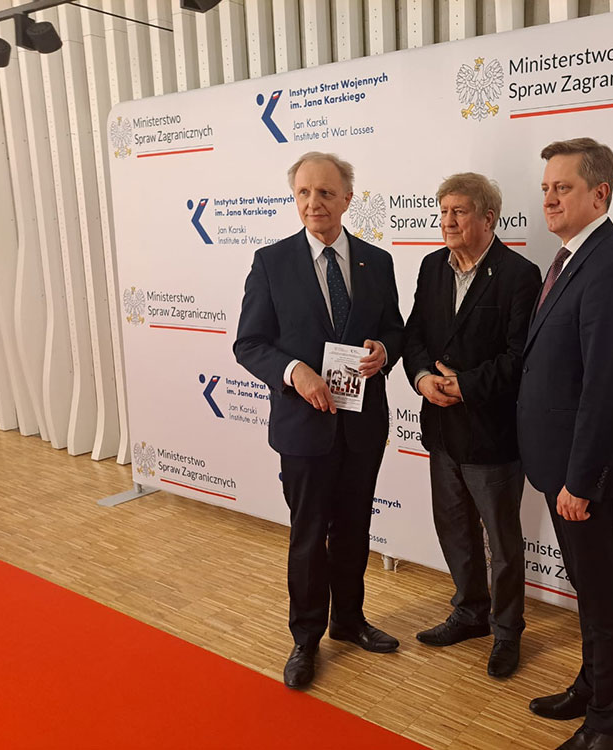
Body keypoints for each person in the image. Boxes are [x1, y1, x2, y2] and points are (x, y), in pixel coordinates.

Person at [233, 152, 405, 690]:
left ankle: (348, 621)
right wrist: (294, 371)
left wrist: (384, 352)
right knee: (309, 536)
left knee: (354, 530)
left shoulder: (377, 262)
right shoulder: (271, 262)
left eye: (326, 193)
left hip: (362, 427)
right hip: (303, 428)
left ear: (348, 199)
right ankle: (305, 638)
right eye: (304, 193)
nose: (314, 203)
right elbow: (249, 344)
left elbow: (396, 330)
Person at [517, 139, 613, 750]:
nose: (549, 198)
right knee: (590, 593)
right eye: (546, 188)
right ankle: (590, 687)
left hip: (590, 476)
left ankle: (607, 728)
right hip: (565, 469)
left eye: (563, 188)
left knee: (606, 602)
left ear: (600, 193)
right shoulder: (574, 258)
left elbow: (606, 389)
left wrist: (580, 481)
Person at [402, 173, 541, 678]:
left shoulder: (519, 274)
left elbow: (520, 357)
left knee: (502, 544)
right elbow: (414, 336)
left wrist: (466, 385)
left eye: (458, 211)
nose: (447, 221)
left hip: (491, 434)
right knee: (455, 529)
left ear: (488, 217)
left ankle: (507, 631)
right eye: (443, 212)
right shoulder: (431, 267)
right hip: (441, 428)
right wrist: (422, 378)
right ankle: (469, 612)